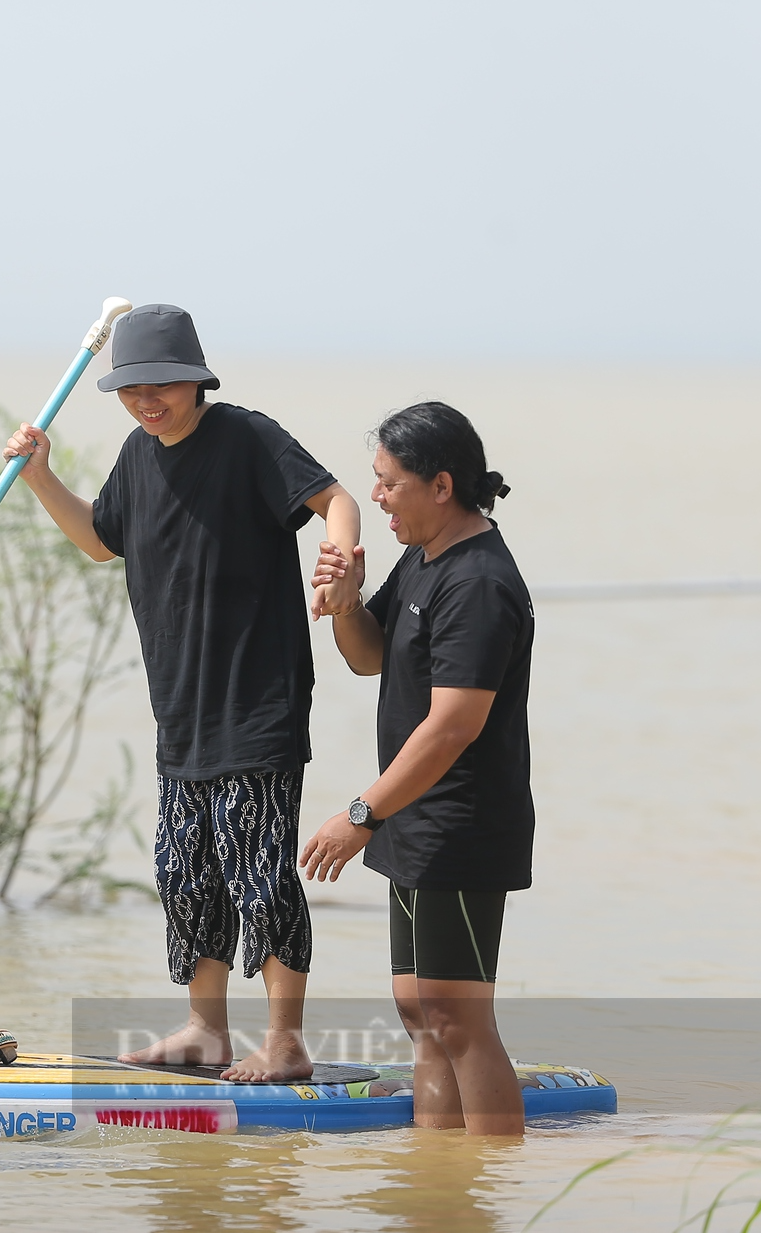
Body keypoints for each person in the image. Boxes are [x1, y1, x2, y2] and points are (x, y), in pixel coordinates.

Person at [4, 303, 361, 1082]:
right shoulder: (137, 455)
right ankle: (205, 1030)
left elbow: (336, 500)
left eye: (162, 383)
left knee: (260, 870)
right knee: (183, 870)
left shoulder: (246, 437)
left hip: (257, 699)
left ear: (197, 377)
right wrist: (38, 474)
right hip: (182, 709)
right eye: (131, 388)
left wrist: (335, 566)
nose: (146, 399)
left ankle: (287, 1040)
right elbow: (101, 540)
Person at [298, 401, 532, 1136]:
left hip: (459, 820)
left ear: (441, 484)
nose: (375, 498)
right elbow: (370, 656)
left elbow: (454, 725)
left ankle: (491, 1185)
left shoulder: (480, 582)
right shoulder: (424, 555)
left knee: (460, 1021)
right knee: (422, 1016)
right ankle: (437, 1192)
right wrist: (343, 606)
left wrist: (361, 812)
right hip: (413, 817)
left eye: (388, 482)